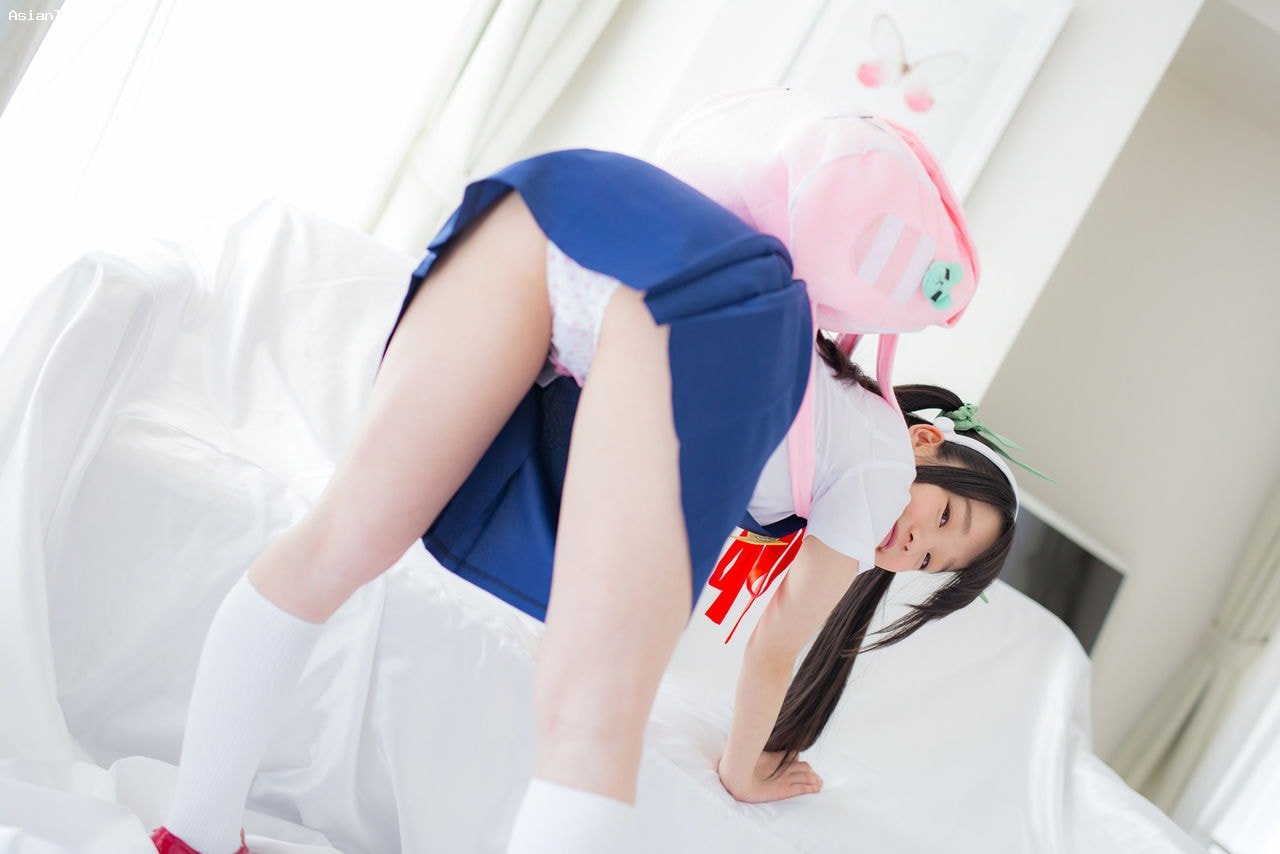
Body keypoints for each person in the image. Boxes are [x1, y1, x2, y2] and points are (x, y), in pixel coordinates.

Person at [148, 88, 1018, 854]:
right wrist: (745, 770)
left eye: (931, 563)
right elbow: (781, 635)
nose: (914, 543)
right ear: (924, 444)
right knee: (595, 719)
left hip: (578, 197)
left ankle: (194, 830)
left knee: (332, 542)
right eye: (944, 517)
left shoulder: (828, 386)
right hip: (711, 306)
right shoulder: (873, 461)